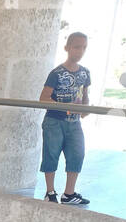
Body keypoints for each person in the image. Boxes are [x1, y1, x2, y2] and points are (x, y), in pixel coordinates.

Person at [38, 32, 92, 205]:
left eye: (84, 47)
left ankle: (69, 193)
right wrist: (66, 107)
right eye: (77, 47)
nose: (80, 51)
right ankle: (50, 191)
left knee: (77, 153)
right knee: (51, 154)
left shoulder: (85, 73)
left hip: (74, 123)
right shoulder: (56, 73)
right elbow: (44, 98)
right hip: (54, 120)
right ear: (67, 48)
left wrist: (85, 109)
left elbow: (84, 94)